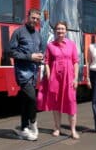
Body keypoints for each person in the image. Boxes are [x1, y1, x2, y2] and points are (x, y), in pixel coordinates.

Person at [37, 21, 80, 139]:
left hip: (69, 77)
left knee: (71, 102)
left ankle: (73, 130)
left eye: (62, 29)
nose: (60, 31)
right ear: (55, 31)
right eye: (58, 29)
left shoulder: (71, 44)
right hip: (55, 78)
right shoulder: (50, 45)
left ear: (66, 31)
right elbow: (46, 62)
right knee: (56, 104)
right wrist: (50, 77)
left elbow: (75, 62)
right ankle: (57, 128)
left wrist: (76, 78)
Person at [10, 8, 43, 141]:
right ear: (27, 17)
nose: (34, 21)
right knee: (33, 98)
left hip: (34, 73)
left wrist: (41, 57)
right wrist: (30, 56)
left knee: (25, 100)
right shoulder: (18, 32)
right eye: (33, 18)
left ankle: (24, 127)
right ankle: (33, 124)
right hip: (23, 73)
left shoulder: (38, 34)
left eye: (37, 19)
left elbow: (40, 50)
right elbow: (12, 52)